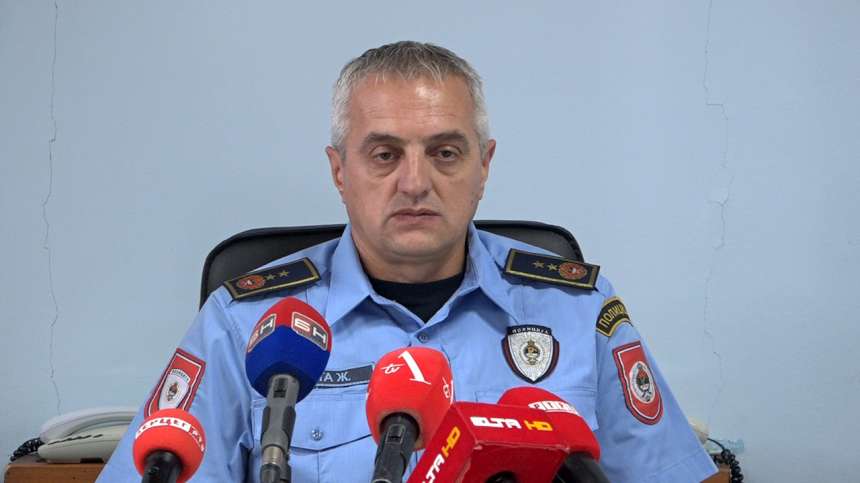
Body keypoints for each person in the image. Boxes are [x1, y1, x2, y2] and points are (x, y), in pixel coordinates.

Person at [98, 41, 717, 482]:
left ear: (484, 166)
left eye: (445, 153)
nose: (416, 182)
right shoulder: (244, 323)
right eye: (385, 155)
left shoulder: (579, 311)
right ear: (339, 171)